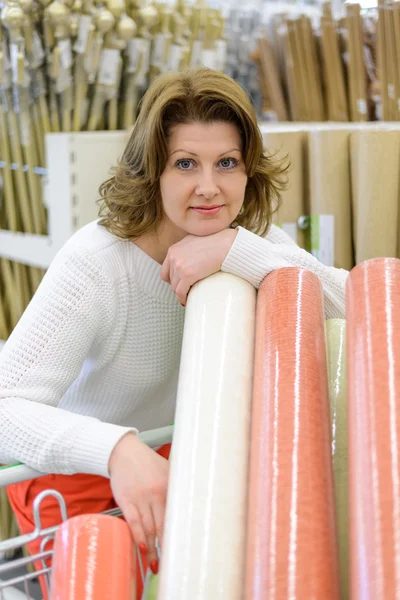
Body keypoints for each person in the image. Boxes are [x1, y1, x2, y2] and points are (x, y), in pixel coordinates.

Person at [0, 68, 347, 596]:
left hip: (183, 458)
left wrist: (238, 251)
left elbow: (354, 301)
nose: (209, 187)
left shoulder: (251, 241)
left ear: (248, 170)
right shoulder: (97, 264)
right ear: (152, 172)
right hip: (79, 471)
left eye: (226, 163)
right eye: (185, 164)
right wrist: (117, 450)